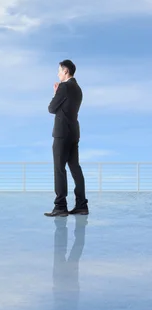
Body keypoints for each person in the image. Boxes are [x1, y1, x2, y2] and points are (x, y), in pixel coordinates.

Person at [44, 60, 89, 217]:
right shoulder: (78, 89)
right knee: (75, 167)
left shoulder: (64, 87)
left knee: (59, 169)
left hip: (62, 133)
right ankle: (82, 205)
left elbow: (51, 108)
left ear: (66, 71)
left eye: (59, 71)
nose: (58, 73)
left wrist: (56, 93)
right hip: (74, 133)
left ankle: (60, 207)